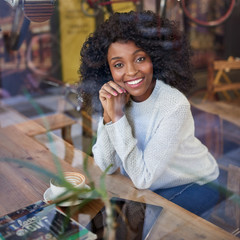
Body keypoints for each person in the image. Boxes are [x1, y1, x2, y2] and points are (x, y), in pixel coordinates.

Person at [78, 10, 220, 217]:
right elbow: (106, 166)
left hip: (196, 183)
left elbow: (143, 179)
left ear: (155, 57)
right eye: (119, 64)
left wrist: (117, 118)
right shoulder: (119, 98)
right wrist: (109, 116)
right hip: (151, 183)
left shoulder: (174, 105)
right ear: (108, 71)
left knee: (141, 222)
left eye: (140, 59)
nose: (131, 72)